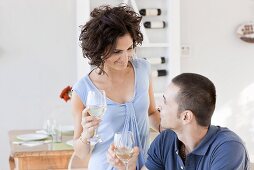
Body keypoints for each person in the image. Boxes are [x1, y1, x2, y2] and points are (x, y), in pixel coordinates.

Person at [71, 4, 160, 170]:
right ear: (99, 50)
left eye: (129, 48)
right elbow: (81, 153)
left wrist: (173, 129)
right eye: (116, 52)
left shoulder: (143, 69)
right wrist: (86, 134)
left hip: (144, 166)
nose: (125, 58)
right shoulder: (83, 90)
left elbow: (152, 113)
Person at [108, 73, 250, 170]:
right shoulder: (165, 140)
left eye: (165, 101)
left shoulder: (229, 148)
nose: (158, 106)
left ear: (186, 117)